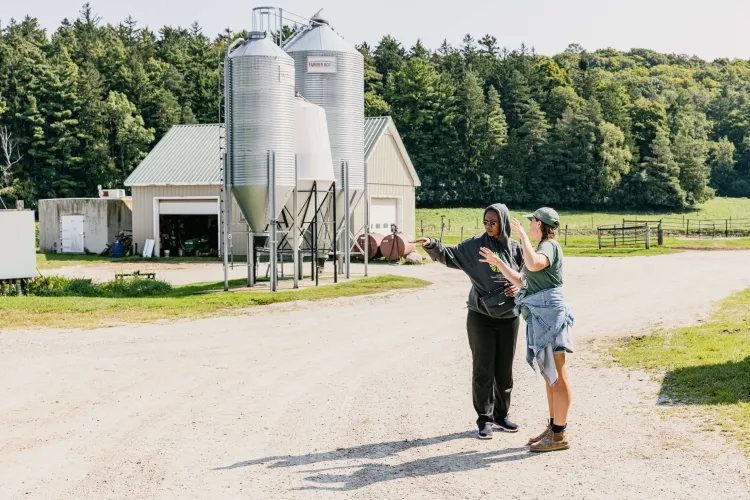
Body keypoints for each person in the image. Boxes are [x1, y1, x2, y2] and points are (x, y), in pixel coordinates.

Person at [412, 204, 524, 440]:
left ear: (503, 222)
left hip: (509, 317)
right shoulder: (475, 246)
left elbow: (527, 276)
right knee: (483, 369)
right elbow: (450, 256)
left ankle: (501, 416)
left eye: (493, 222)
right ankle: (484, 419)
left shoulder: (515, 249)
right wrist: (432, 244)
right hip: (480, 316)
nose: (488, 226)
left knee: (504, 370)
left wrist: (518, 285)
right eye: (485, 221)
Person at [479, 207, 574, 452]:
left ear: (540, 224)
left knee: (558, 375)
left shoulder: (549, 246)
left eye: (531, 222)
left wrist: (521, 237)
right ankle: (554, 427)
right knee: (549, 375)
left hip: (550, 317)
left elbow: (532, 265)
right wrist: (499, 262)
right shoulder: (543, 247)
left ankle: (559, 434)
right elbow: (524, 281)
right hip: (543, 316)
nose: (529, 225)